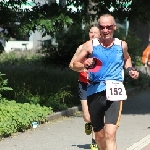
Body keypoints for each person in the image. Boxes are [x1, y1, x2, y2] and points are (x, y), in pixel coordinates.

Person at [72, 14, 139, 150]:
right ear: (99, 28)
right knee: (100, 136)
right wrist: (85, 64)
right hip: (94, 91)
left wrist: (130, 69)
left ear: (114, 27)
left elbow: (127, 58)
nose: (105, 30)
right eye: (102, 27)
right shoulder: (90, 46)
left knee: (110, 134)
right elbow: (73, 65)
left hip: (115, 91)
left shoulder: (121, 45)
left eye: (109, 27)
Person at [69, 25, 101, 150]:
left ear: (100, 34)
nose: (93, 34)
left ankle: (94, 141)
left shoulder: (103, 49)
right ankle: (89, 122)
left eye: (95, 32)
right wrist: (84, 68)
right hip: (84, 84)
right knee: (87, 116)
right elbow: (71, 65)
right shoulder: (82, 48)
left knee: (97, 114)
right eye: (91, 32)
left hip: (98, 85)